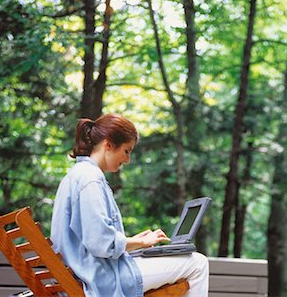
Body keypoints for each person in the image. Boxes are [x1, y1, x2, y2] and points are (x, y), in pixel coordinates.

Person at [51, 113, 209, 297]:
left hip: (87, 272)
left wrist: (132, 242)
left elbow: (94, 239)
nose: (128, 160)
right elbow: (100, 243)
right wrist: (141, 242)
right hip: (102, 278)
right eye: (127, 151)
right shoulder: (91, 179)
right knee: (197, 263)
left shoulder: (77, 174)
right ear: (108, 144)